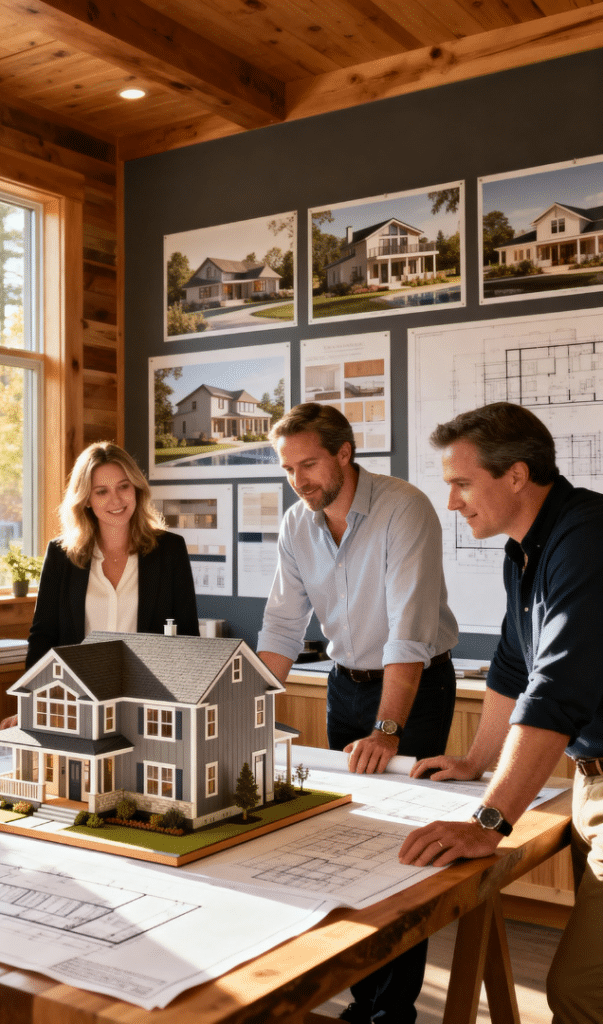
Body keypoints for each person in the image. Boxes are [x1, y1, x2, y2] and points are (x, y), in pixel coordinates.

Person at [398, 402, 603, 1024]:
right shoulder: (527, 548)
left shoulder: (586, 536)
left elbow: (558, 688)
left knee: (581, 992)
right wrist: (475, 759)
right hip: (587, 778)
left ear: (516, 476)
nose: (453, 502)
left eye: (462, 483)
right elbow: (514, 669)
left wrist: (491, 821)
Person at [256, 402, 458, 1024]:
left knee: (405, 851)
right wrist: (244, 710)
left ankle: (389, 1013)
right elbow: (283, 626)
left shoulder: (404, 507)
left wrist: (388, 730)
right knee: (349, 840)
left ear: (346, 452)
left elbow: (409, 633)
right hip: (346, 684)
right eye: (288, 469)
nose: (299, 480)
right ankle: (364, 1001)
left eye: (309, 464)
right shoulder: (298, 523)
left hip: (415, 688)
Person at [26, 440, 199, 669]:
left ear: (136, 488)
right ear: (86, 499)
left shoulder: (170, 550)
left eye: (123, 487)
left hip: (149, 694)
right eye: (101, 492)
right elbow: (43, 636)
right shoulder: (61, 555)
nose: (116, 500)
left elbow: (187, 636)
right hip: (80, 694)